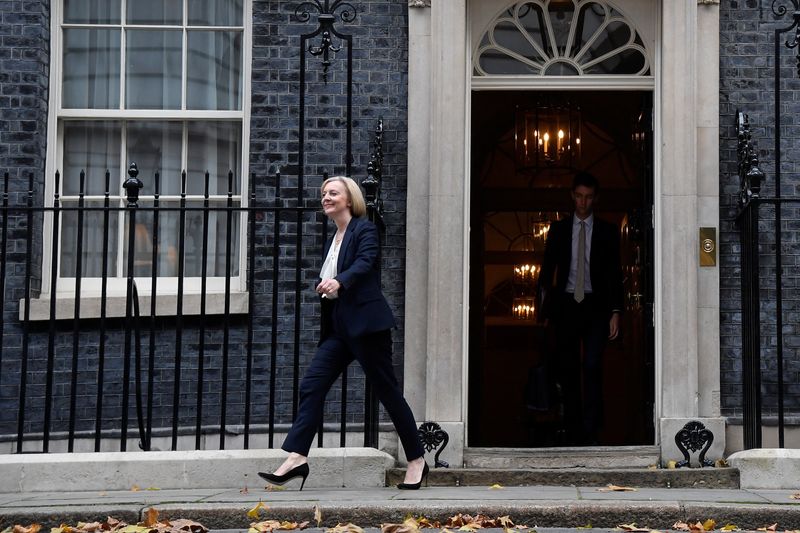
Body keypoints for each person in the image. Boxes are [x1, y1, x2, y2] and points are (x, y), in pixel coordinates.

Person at [258, 176, 429, 490]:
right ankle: (297, 457)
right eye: (323, 193)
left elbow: (366, 263)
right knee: (312, 385)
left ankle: (417, 460)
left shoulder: (365, 228)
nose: (326, 197)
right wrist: (326, 287)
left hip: (367, 327)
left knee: (388, 393)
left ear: (349, 199)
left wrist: (339, 281)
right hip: (339, 328)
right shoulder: (332, 238)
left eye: (332, 192)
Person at [537, 172, 624, 446]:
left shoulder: (608, 232)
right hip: (566, 306)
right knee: (569, 367)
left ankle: (592, 427)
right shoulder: (558, 230)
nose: (583, 202)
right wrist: (541, 311)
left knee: (593, 364)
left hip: (596, 306)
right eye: (579, 196)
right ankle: (573, 427)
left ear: (594, 198)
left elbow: (614, 273)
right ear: (572, 196)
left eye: (588, 197)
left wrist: (616, 312)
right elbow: (546, 271)